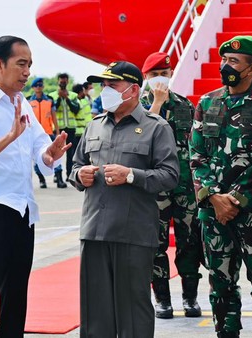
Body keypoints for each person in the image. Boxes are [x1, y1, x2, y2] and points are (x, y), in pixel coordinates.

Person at [0, 35, 70, 338]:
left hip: (23, 209)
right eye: (21, 64)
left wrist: (51, 154)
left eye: (30, 65)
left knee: (16, 294)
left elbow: (39, 148)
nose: (27, 72)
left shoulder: (23, 104)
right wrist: (9, 137)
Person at [69, 61, 179, 338]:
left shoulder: (156, 127)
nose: (105, 91)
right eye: (103, 85)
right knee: (95, 312)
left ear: (132, 90)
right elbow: (75, 167)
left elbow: (169, 176)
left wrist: (132, 175)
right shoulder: (94, 126)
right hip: (94, 231)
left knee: (133, 312)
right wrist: (79, 175)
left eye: (112, 85)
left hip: (133, 232)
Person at [189, 35, 252, 338]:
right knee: (220, 286)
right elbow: (196, 155)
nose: (226, 66)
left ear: (251, 67)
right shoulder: (207, 102)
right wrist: (214, 198)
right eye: (224, 59)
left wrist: (237, 200)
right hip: (214, 215)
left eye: (234, 62)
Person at [140, 52, 203, 319]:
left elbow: (195, 144)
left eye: (164, 74)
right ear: (145, 77)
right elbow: (139, 140)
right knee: (156, 244)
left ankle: (190, 297)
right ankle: (162, 300)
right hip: (155, 188)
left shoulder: (185, 105)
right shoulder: (137, 108)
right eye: (155, 75)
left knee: (189, 243)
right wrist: (156, 103)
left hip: (184, 187)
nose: (160, 80)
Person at [27, 77, 67, 188]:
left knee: (54, 155)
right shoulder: (28, 101)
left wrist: (58, 132)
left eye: (40, 85)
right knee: (36, 159)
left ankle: (59, 179)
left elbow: (54, 116)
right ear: (33, 88)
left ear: (43, 87)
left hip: (48, 132)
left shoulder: (49, 100)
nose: (39, 88)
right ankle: (41, 179)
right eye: (36, 86)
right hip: (33, 134)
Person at [48, 73, 80, 181]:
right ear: (58, 81)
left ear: (68, 82)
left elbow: (76, 110)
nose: (63, 83)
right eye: (61, 81)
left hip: (70, 128)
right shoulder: (52, 96)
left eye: (65, 81)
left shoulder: (73, 95)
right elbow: (52, 110)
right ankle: (57, 175)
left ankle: (69, 175)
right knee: (56, 153)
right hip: (58, 128)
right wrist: (59, 98)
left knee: (70, 154)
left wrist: (66, 98)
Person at [71, 83, 93, 151]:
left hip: (82, 131)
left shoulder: (81, 101)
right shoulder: (76, 102)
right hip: (78, 132)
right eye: (83, 91)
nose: (84, 93)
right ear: (80, 92)